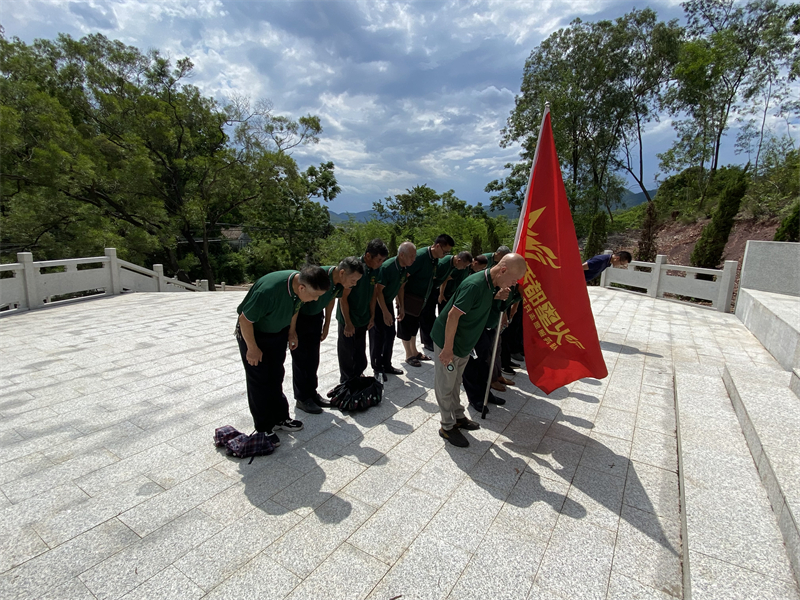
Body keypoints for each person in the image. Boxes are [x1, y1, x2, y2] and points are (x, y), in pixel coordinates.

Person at [431, 253, 527, 447]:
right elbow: (452, 316)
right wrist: (447, 349)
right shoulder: (474, 285)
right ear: (503, 270)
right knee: (446, 384)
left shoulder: (493, 286)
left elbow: (489, 318)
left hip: (465, 344)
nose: (514, 283)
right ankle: (447, 426)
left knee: (456, 381)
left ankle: (458, 416)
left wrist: (499, 299)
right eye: (513, 279)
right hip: (449, 343)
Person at [236, 265, 330, 447]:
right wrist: (252, 348)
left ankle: (280, 419)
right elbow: (244, 319)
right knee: (259, 380)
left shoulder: (299, 288)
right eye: (314, 295)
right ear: (302, 288)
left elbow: (295, 308)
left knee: (276, 375)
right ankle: (263, 428)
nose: (316, 299)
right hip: (254, 335)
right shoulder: (269, 291)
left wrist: (292, 332)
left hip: (277, 333)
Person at [290, 257, 364, 414]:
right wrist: (292, 331)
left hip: (316, 318)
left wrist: (327, 324)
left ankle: (312, 393)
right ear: (342, 272)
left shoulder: (339, 283)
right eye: (353, 280)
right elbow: (295, 302)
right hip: (300, 318)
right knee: (301, 359)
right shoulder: (319, 275)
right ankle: (302, 398)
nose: (354, 284)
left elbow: (331, 300)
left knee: (313, 358)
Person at [397, 234, 454, 367]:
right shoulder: (420, 256)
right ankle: (408, 355)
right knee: (406, 326)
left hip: (421, 299)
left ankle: (414, 351)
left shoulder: (434, 259)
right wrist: (400, 301)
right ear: (437, 246)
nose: (445, 254)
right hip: (409, 298)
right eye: (444, 251)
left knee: (414, 326)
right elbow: (402, 278)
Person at [337, 239, 389, 382]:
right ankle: (347, 381)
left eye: (382, 260)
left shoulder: (375, 270)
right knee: (347, 352)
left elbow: (373, 293)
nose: (380, 263)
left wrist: (372, 315)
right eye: (378, 260)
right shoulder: (354, 269)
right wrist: (347, 322)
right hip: (348, 316)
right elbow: (343, 298)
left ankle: (358, 375)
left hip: (363, 316)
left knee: (360, 350)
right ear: (368, 256)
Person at [370, 241, 416, 375]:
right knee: (378, 336)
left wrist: (401, 307)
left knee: (390, 334)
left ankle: (387, 364)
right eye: (411, 256)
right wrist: (385, 312)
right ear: (402, 255)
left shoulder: (404, 267)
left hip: (388, 302)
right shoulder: (387, 267)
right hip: (378, 304)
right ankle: (377, 368)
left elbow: (401, 287)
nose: (414, 259)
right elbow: (378, 291)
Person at [420, 251, 472, 353]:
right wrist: (440, 294)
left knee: (432, 317)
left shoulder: (453, 265)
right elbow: (432, 277)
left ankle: (432, 339)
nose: (465, 268)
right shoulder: (443, 264)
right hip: (428, 290)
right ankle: (427, 342)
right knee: (426, 316)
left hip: (435, 289)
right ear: (459, 260)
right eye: (464, 265)